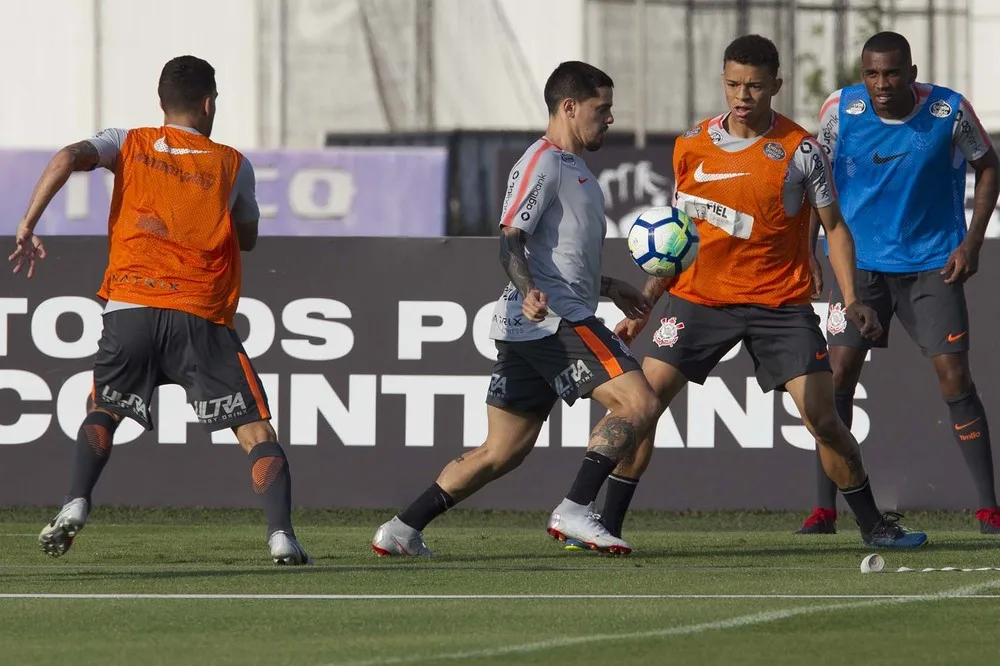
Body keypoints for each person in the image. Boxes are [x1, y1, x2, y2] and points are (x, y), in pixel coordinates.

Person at [570, 34, 928, 551]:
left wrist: (851, 301)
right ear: (723, 80)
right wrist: (647, 304)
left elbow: (837, 227)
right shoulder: (691, 144)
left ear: (775, 86)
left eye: (755, 86)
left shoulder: (801, 149)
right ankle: (605, 524)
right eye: (734, 84)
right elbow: (678, 236)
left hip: (780, 305)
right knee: (640, 406)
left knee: (825, 420)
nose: (742, 96)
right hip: (699, 300)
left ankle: (874, 525)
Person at [8, 55, 312, 565]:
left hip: (130, 306)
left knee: (103, 409)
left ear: (160, 103)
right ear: (210, 103)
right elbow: (250, 237)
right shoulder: (234, 163)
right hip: (199, 312)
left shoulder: (126, 141)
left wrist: (27, 223)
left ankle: (76, 502)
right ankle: (281, 537)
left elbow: (65, 155)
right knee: (255, 430)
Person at [370, 61, 661, 557]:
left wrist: (611, 286)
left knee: (501, 451)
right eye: (601, 108)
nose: (609, 118)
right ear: (569, 107)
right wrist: (528, 290)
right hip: (552, 319)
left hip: (538, 322)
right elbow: (510, 242)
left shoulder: (577, 169)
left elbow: (560, 256)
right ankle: (575, 508)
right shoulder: (542, 160)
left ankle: (402, 528)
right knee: (639, 403)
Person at [797, 31, 1000, 536]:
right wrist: (808, 251)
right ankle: (825, 511)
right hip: (858, 268)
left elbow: (988, 166)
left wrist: (972, 242)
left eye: (891, 73)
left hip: (933, 264)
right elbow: (814, 179)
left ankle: (989, 509)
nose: (881, 84)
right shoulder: (840, 109)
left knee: (956, 380)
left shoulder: (949, 111)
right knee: (835, 378)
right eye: (871, 74)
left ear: (911, 72)